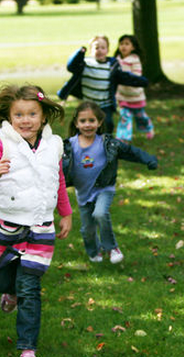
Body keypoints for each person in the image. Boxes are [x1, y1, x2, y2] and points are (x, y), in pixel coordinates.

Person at [0, 85, 72, 357]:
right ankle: (9, 292)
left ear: (43, 116)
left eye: (31, 114)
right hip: (7, 226)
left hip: (40, 227)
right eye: (19, 114)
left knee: (31, 288)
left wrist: (65, 212)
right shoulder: (3, 143)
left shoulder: (54, 145)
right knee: (0, 280)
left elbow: (58, 179)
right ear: (10, 117)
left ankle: (28, 350)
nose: (25, 120)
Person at [62, 101, 158, 264]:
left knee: (100, 213)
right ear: (76, 123)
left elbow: (130, 151)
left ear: (99, 122)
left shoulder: (108, 143)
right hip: (83, 193)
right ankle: (94, 251)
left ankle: (112, 247)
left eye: (92, 121)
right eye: (83, 121)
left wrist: (148, 159)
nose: (87, 125)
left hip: (104, 188)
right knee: (88, 230)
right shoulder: (69, 146)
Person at [57, 35, 148, 133]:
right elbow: (71, 66)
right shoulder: (86, 63)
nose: (99, 50)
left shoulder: (112, 65)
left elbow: (124, 77)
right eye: (96, 48)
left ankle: (106, 143)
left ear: (107, 50)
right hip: (88, 103)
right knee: (84, 125)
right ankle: (82, 143)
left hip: (105, 104)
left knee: (107, 124)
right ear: (91, 50)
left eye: (103, 48)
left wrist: (141, 81)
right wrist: (80, 53)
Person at [113, 34, 155, 142]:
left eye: (127, 44)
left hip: (135, 95)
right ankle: (123, 138)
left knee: (140, 116)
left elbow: (137, 77)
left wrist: (125, 77)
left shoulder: (135, 60)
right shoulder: (115, 61)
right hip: (122, 95)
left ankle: (148, 128)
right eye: (121, 44)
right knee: (124, 116)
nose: (123, 46)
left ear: (133, 47)